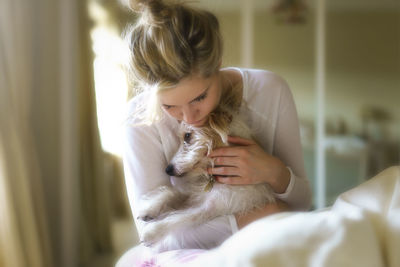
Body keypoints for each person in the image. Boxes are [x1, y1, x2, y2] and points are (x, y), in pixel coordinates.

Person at [122, 0, 312, 252]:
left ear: (219, 62)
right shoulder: (139, 117)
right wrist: (261, 215)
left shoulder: (270, 90)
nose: (189, 117)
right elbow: (153, 239)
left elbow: (301, 205)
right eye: (170, 107)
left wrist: (273, 172)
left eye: (199, 97)